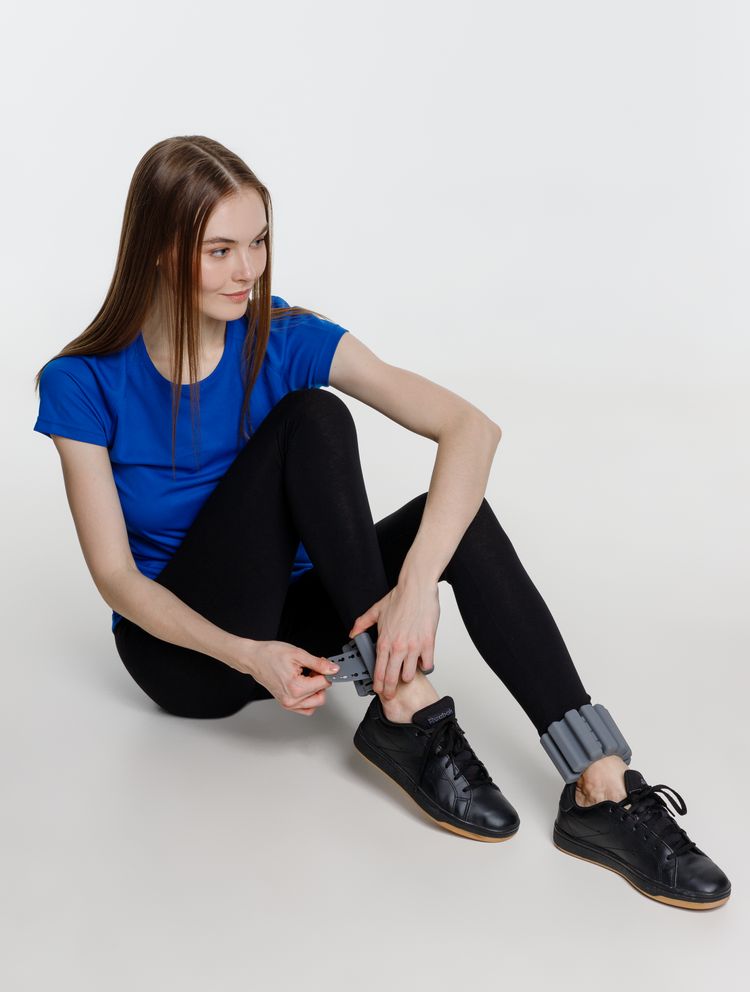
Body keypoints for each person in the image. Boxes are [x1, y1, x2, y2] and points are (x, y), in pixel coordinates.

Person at [33, 135, 730, 910]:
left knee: (456, 518)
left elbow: (471, 428)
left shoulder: (284, 336)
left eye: (258, 242)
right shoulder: (82, 381)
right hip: (188, 655)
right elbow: (115, 578)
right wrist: (247, 655)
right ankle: (407, 707)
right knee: (313, 418)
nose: (248, 270)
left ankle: (601, 783)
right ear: (162, 253)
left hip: (300, 627)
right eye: (220, 250)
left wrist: (417, 585)